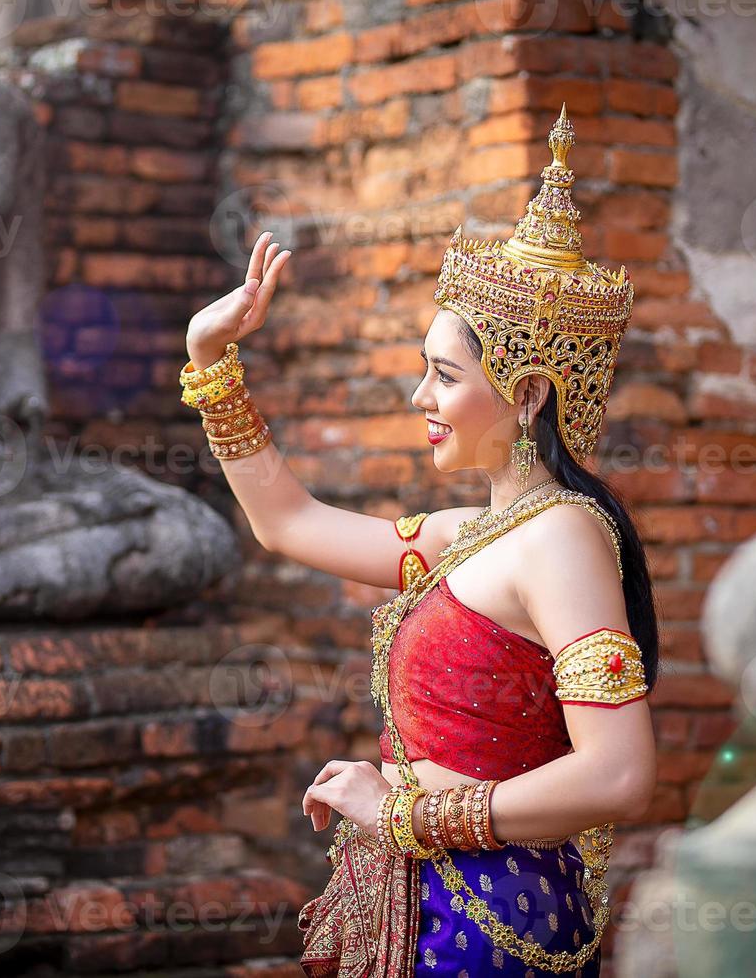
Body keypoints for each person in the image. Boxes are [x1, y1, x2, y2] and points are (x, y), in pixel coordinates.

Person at [179, 104, 658, 976]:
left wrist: (406, 814)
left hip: (493, 924)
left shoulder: (561, 541)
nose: (418, 399)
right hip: (437, 907)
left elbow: (620, 776)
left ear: (527, 396)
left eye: (443, 375)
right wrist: (212, 361)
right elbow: (287, 522)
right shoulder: (466, 536)